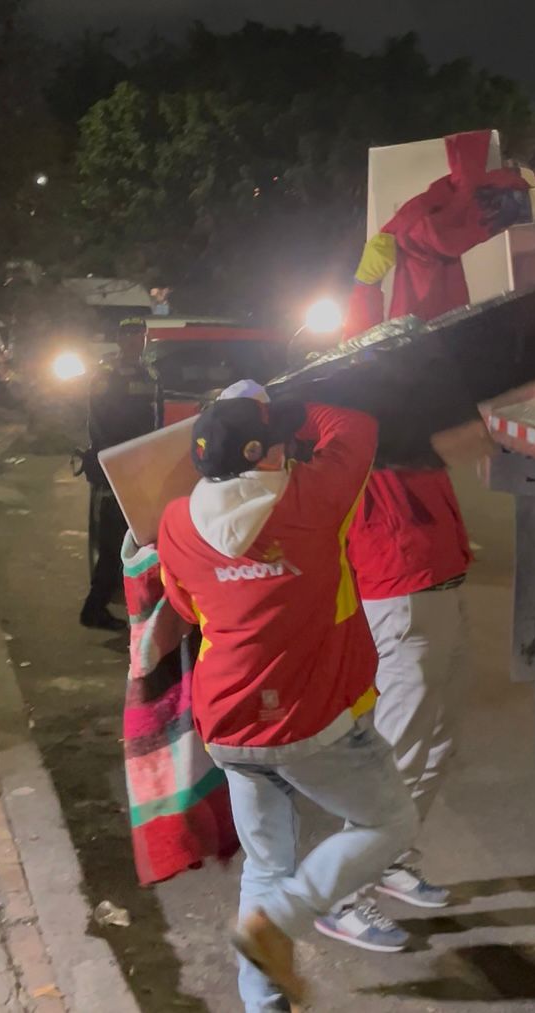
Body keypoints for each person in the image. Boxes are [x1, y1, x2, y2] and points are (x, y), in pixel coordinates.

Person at [156, 386, 416, 1012]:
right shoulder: (312, 498)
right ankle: (281, 923)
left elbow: (187, 609)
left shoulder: (175, 521)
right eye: (283, 441)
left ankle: (264, 999)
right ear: (267, 455)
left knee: (266, 868)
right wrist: (302, 392)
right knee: (388, 823)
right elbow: (356, 419)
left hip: (226, 724)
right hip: (306, 722)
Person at [318, 132, 515, 951]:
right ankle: (342, 892)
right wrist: (377, 278)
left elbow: (411, 353)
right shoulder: (353, 418)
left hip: (433, 582)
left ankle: (391, 858)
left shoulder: (400, 409)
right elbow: (375, 353)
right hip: (398, 590)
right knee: (399, 742)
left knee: (435, 738)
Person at [79, 317, 155, 631]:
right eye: (130, 335)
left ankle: (122, 602)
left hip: (139, 465)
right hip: (115, 466)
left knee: (132, 539)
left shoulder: (149, 374)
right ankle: (94, 607)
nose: (137, 340)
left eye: (141, 335)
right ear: (120, 339)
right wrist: (115, 458)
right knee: (111, 540)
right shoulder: (106, 375)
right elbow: (97, 422)